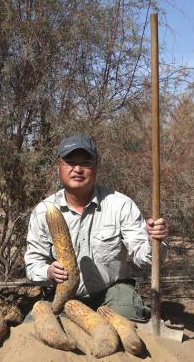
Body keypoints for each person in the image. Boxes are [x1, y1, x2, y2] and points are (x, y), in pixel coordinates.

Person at [25, 135, 168, 320]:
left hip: (111, 293)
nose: (78, 169)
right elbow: (33, 264)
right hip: (64, 295)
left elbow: (145, 259)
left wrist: (154, 241)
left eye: (86, 163)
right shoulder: (43, 211)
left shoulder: (120, 205)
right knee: (34, 327)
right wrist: (48, 272)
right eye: (70, 162)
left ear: (96, 166)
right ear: (58, 166)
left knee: (126, 316)